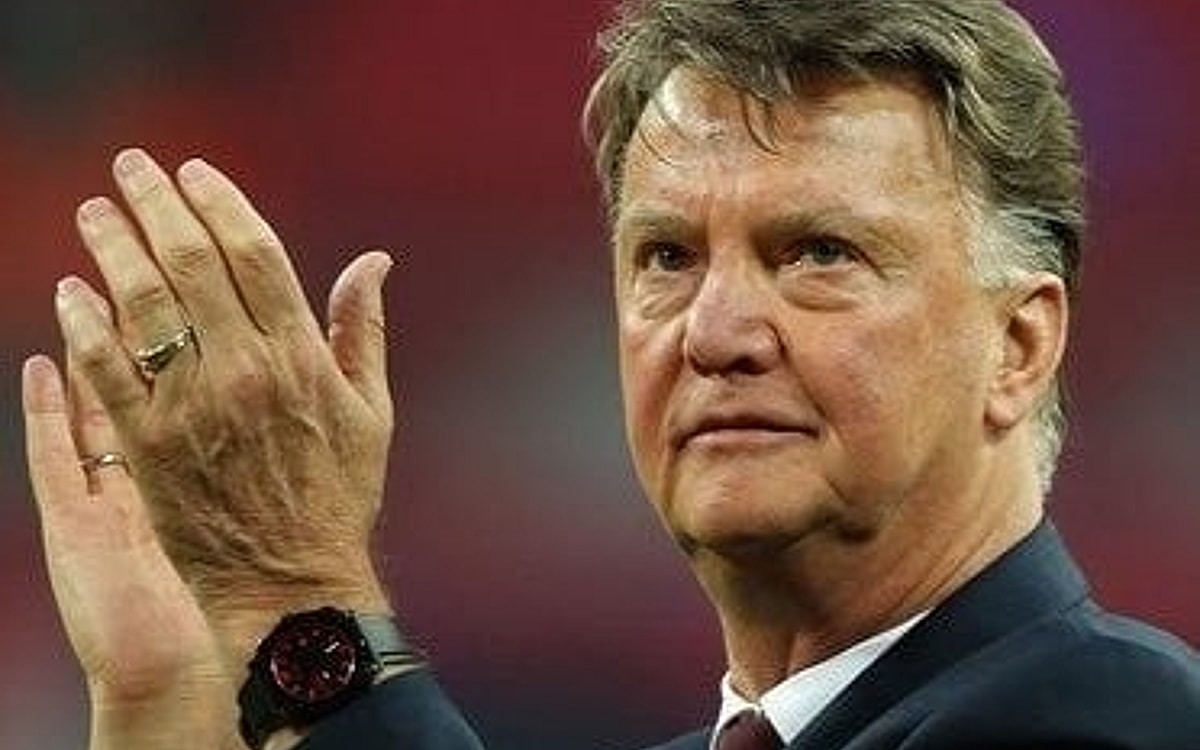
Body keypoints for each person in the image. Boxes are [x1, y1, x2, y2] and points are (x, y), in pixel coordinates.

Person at [22, 0, 1200, 748]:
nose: (716, 330)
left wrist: (295, 601)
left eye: (819, 253)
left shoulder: (1109, 714)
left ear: (1019, 345)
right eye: (667, 257)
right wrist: (168, 706)